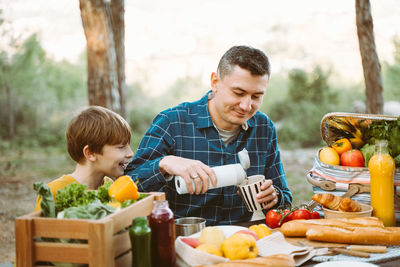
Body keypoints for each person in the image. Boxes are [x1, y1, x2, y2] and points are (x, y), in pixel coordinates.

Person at [125, 45, 292, 225]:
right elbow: (127, 185)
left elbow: (285, 202)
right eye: (238, 93)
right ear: (215, 82)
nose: (246, 105)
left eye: (256, 96)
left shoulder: (263, 127)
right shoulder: (172, 122)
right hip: (183, 240)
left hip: (243, 242)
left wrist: (274, 197)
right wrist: (163, 164)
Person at [34, 105, 134, 211]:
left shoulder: (111, 186)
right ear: (90, 153)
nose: (131, 153)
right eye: (121, 147)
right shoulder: (54, 193)